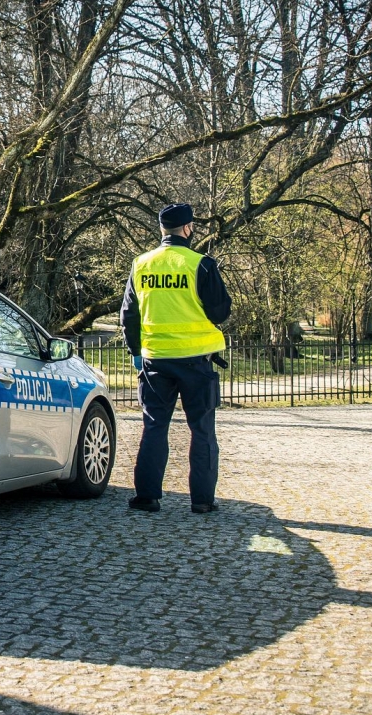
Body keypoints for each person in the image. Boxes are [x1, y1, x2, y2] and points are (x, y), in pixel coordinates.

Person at [120, 203, 231, 513]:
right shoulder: (201, 264)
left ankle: (147, 496)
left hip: (155, 360)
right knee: (202, 429)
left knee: (154, 426)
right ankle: (202, 501)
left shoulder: (141, 264)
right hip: (196, 360)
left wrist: (136, 352)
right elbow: (221, 311)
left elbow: (129, 315)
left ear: (161, 230)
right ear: (188, 228)